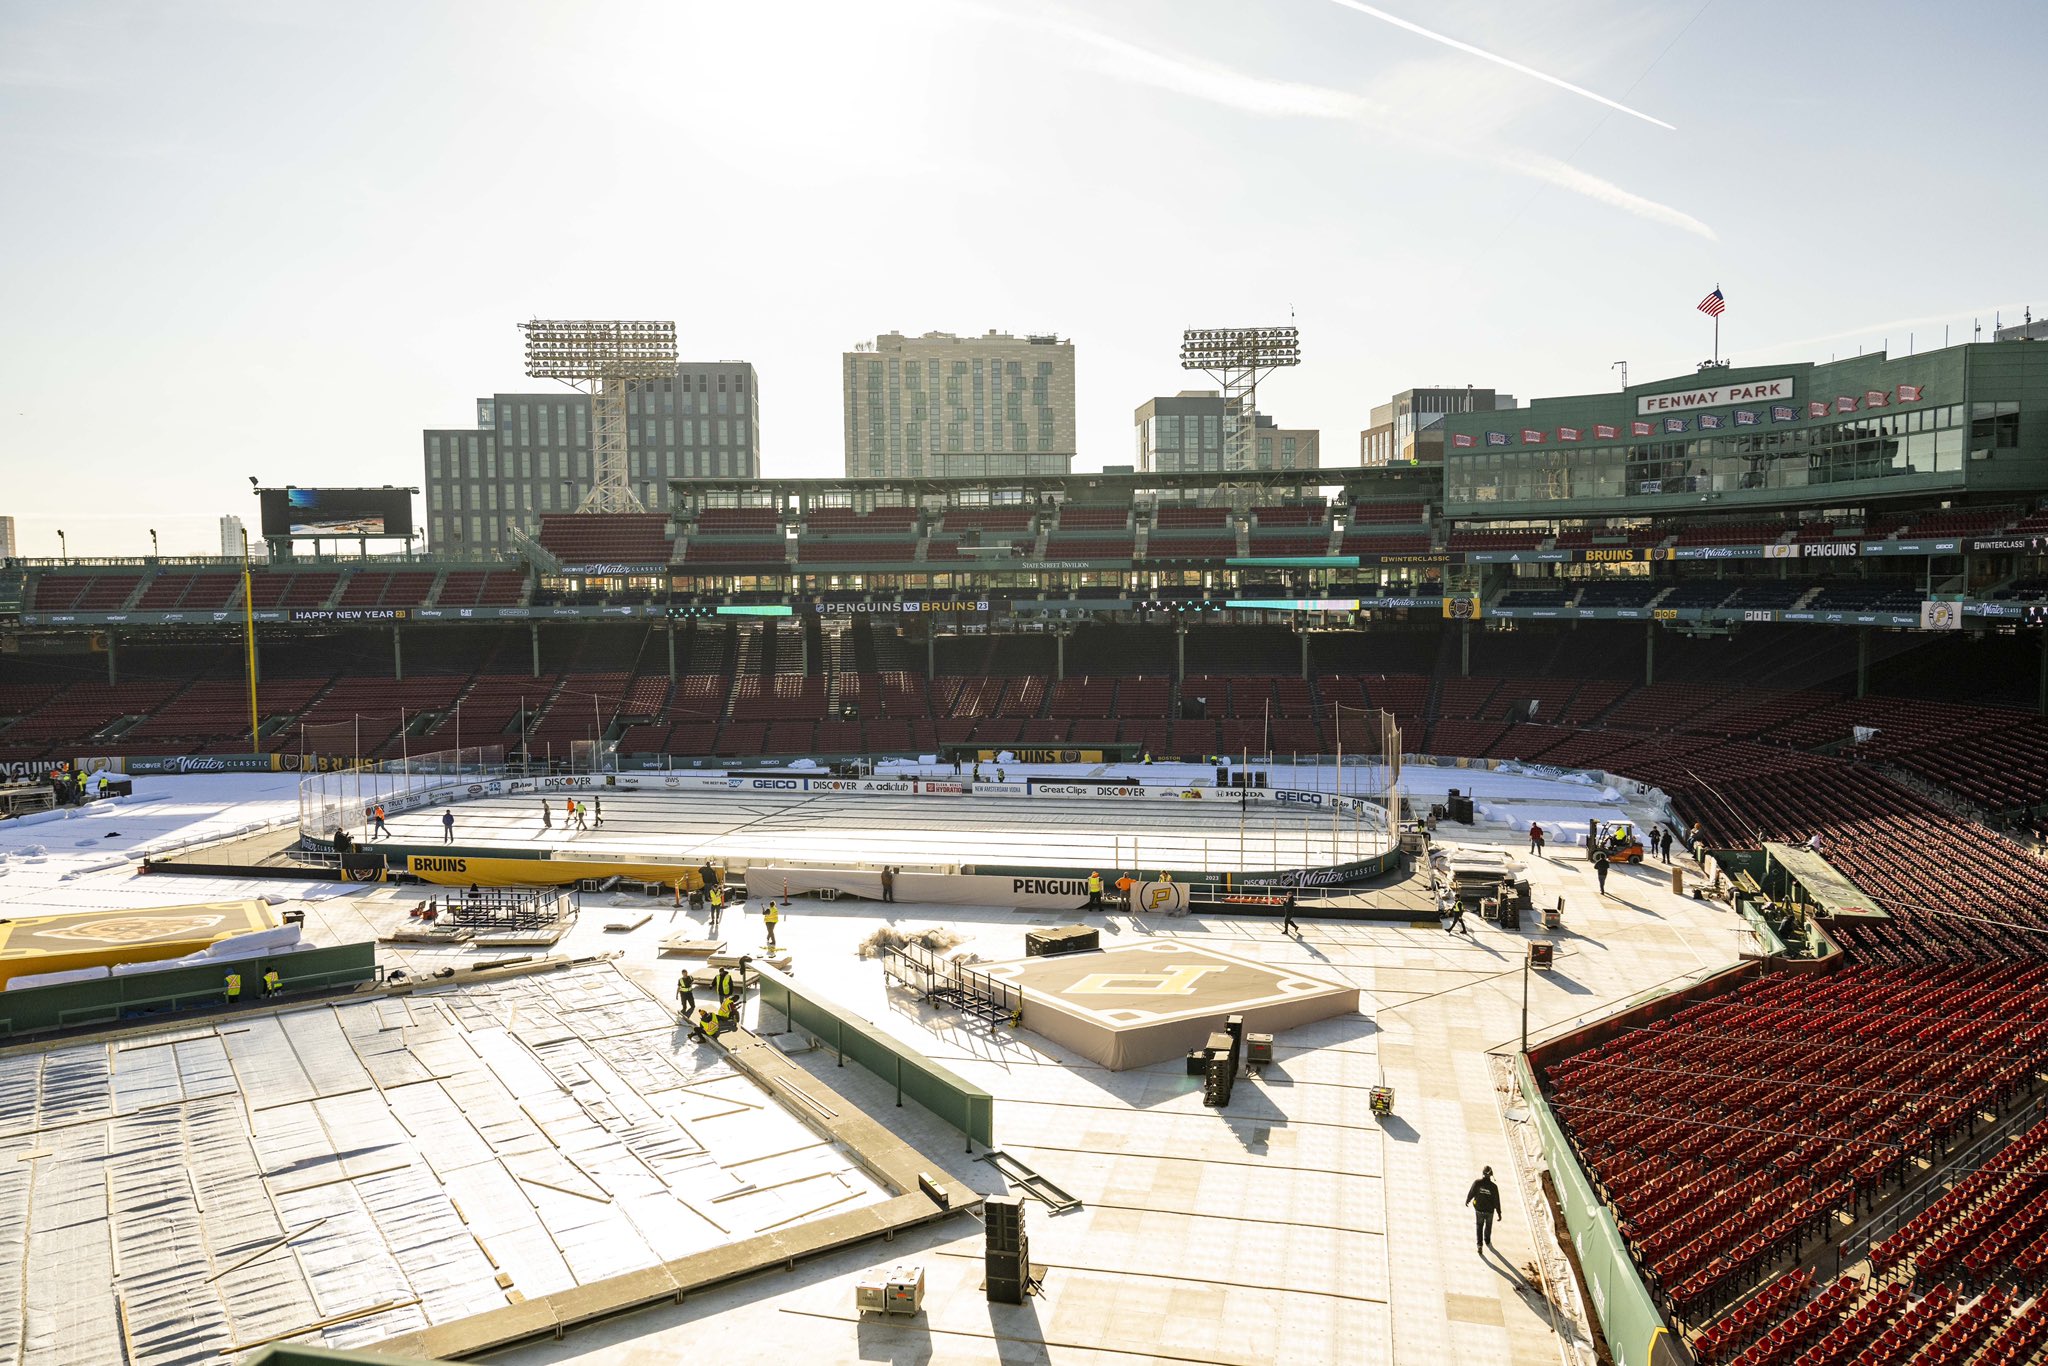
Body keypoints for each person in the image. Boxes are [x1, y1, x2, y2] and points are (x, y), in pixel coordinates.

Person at [1466, 1167, 1502, 1252]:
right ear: (1491, 1175)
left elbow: (1472, 1192)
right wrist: (1499, 1212)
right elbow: (1497, 1200)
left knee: (1479, 1226)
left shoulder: (1477, 1183)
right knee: (1488, 1226)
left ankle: (1479, 1245)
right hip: (1489, 1211)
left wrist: (1468, 1200)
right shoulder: (1494, 1187)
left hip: (1479, 1209)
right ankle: (1487, 1240)